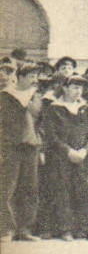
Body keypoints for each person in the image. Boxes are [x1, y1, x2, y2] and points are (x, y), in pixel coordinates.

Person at [38, 72, 88, 240]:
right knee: (63, 191)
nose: (78, 91)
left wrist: (85, 150)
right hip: (61, 158)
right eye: (74, 87)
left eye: (80, 87)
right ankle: (65, 229)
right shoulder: (54, 109)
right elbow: (52, 136)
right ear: (65, 88)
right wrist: (68, 151)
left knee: (86, 191)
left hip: (82, 157)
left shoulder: (85, 109)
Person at [0, 60, 43, 241]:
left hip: (31, 147)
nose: (35, 80)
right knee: (7, 187)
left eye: (36, 76)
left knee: (29, 188)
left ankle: (24, 229)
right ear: (21, 77)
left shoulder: (36, 97)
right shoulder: (5, 96)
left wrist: (40, 146)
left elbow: (40, 123)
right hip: (11, 147)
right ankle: (6, 229)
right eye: (31, 76)